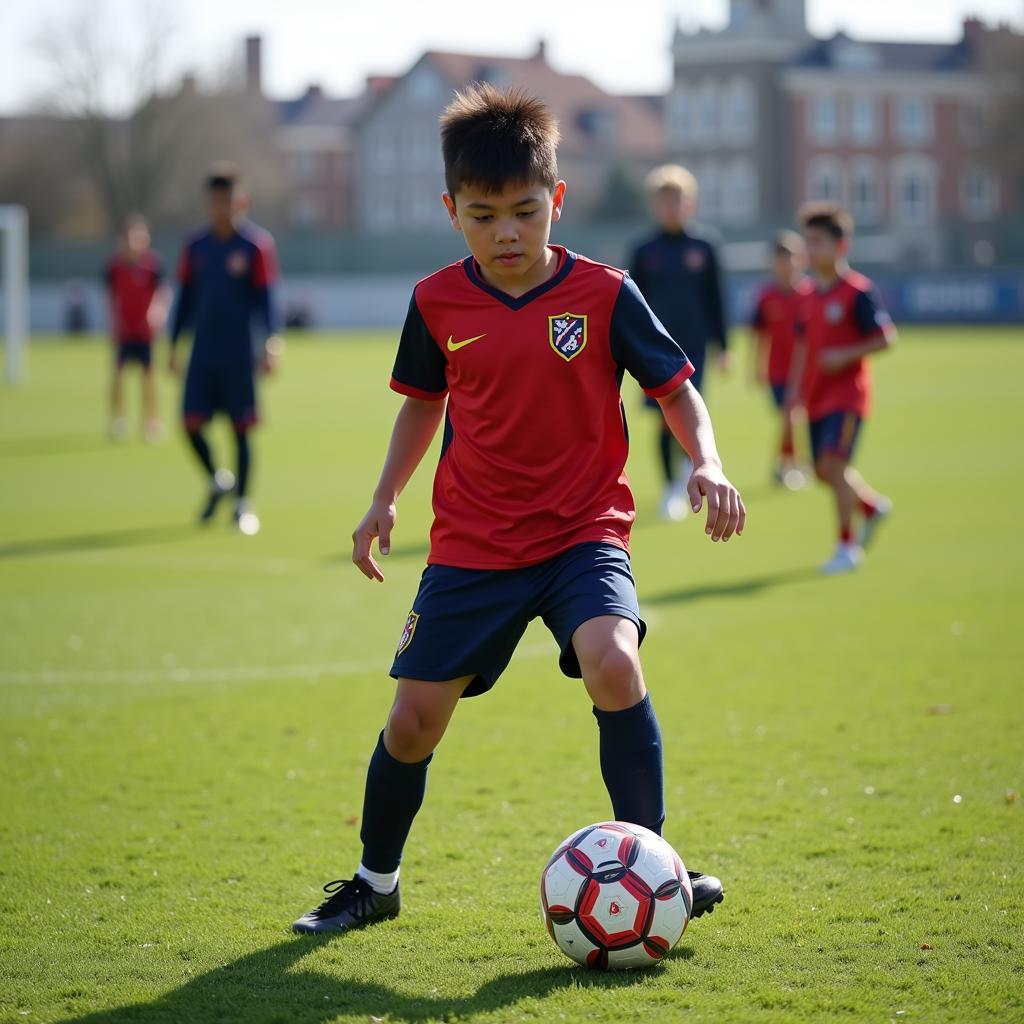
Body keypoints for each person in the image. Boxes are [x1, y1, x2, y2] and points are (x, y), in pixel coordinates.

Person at [292, 85, 745, 936]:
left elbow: (675, 388)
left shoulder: (605, 294)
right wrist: (383, 498)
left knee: (615, 660)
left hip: (583, 534)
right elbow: (422, 404)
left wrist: (708, 462)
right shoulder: (436, 302)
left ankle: (651, 865)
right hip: (472, 546)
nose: (506, 231)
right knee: (414, 721)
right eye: (483, 214)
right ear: (452, 211)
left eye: (525, 212)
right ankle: (373, 883)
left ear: (557, 202)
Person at [168, 164, 282, 536]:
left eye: (228, 201)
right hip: (202, 352)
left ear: (241, 202)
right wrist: (173, 345)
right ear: (208, 203)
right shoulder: (195, 246)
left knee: (241, 429)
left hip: (238, 353)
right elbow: (184, 300)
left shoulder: (255, 246)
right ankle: (219, 479)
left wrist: (271, 342)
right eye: (215, 201)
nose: (221, 208)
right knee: (190, 424)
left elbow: (267, 300)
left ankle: (242, 504)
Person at [787, 202, 895, 575]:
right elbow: (801, 348)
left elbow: (885, 337)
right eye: (808, 242)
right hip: (815, 398)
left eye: (818, 242)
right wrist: (793, 395)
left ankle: (847, 546)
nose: (811, 250)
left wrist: (845, 355)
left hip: (847, 396)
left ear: (840, 246)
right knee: (821, 471)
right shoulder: (807, 297)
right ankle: (870, 506)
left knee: (835, 465)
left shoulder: (857, 292)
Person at [629, 165, 729, 521]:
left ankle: (694, 473)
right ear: (655, 205)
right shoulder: (645, 250)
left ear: (690, 204)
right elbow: (630, 304)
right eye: (664, 200)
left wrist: (725, 347)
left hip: (695, 348)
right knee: (661, 420)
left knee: (689, 413)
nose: (671, 206)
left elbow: (716, 298)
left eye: (678, 199)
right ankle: (671, 486)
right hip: (653, 351)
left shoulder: (704, 246)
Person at [749, 231, 813, 488]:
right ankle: (790, 465)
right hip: (777, 370)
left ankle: (789, 465)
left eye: (790, 257)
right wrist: (756, 366)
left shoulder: (809, 294)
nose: (785, 263)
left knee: (792, 416)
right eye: (780, 258)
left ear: (801, 260)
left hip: (806, 371)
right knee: (789, 417)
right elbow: (759, 334)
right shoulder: (766, 296)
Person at [103, 215, 170, 442]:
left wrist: (157, 314)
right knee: (118, 376)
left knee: (149, 377)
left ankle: (151, 421)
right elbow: (109, 297)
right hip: (125, 330)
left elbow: (163, 294)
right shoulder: (114, 267)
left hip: (145, 331)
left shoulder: (153, 265)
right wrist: (112, 324)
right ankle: (117, 419)